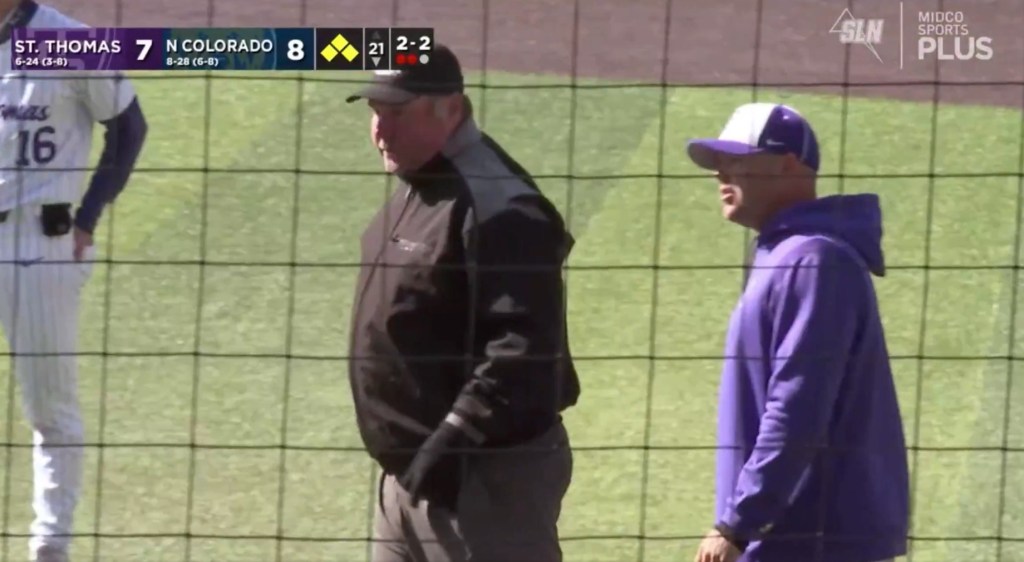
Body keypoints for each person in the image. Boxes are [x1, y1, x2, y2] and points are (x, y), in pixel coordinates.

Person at [345, 44, 580, 562]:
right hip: (411, 479)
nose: (380, 129)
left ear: (450, 109)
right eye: (374, 113)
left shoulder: (500, 205)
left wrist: (450, 440)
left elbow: (524, 347)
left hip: (481, 483)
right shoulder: (422, 179)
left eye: (397, 113)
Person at [684, 102, 909, 562]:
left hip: (815, 539)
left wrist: (738, 524)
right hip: (790, 533)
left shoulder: (812, 262)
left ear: (789, 164)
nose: (720, 175)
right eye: (718, 163)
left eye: (736, 160)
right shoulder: (780, 255)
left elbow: (798, 404)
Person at [0, 2, 148, 561]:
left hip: (39, 247)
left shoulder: (68, 41)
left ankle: (50, 543)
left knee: (49, 407)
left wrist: (88, 217)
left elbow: (129, 128)